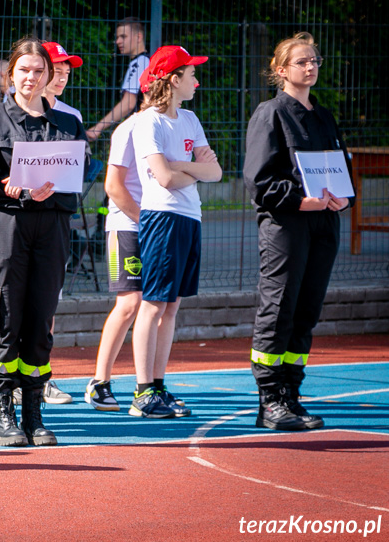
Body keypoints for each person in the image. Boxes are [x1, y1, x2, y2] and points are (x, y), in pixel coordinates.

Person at [0, 37, 90, 447]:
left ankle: (34, 414)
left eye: (38, 70)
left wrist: (36, 190)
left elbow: (75, 181)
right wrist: (22, 193)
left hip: (53, 227)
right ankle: (4, 414)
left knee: (40, 321)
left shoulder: (68, 123)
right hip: (7, 228)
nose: (31, 77)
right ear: (11, 74)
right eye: (23, 69)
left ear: (48, 76)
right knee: (6, 316)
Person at [243, 32, 350, 432]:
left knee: (307, 310)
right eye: (302, 61)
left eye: (315, 61)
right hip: (287, 225)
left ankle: (291, 393)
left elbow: (339, 170)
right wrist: (298, 200)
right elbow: (257, 181)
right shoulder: (271, 113)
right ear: (281, 70)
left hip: (324, 223)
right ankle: (269, 399)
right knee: (279, 309)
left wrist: (344, 198)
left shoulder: (323, 115)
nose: (311, 67)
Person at [129, 45, 221, 419]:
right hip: (162, 218)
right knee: (153, 303)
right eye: (191, 74)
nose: (197, 81)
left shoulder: (190, 119)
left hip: (189, 217)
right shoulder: (147, 121)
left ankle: (159, 385)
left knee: (173, 304)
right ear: (173, 78)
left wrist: (182, 164)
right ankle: (142, 391)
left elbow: (215, 173)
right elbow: (163, 179)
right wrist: (191, 169)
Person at [85, 110, 144, 411]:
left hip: (160, 223)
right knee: (130, 303)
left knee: (158, 305)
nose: (197, 82)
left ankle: (148, 387)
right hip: (128, 226)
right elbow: (113, 186)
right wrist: (145, 220)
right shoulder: (130, 128)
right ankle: (99, 381)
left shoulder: (184, 121)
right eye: (188, 75)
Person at [86, 17, 149, 141]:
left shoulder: (140, 62)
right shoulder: (144, 61)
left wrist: (97, 128)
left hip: (142, 131)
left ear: (138, 37)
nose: (118, 41)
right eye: (117, 37)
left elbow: (129, 103)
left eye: (123, 36)